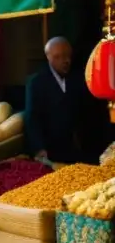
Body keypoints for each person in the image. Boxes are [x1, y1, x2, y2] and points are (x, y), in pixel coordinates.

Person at [26, 36, 107, 165]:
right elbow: (32, 118)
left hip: (82, 149)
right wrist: (39, 148)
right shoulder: (37, 83)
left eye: (68, 56)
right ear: (49, 57)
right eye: (59, 57)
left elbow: (91, 112)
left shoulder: (80, 77)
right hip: (53, 152)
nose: (66, 61)